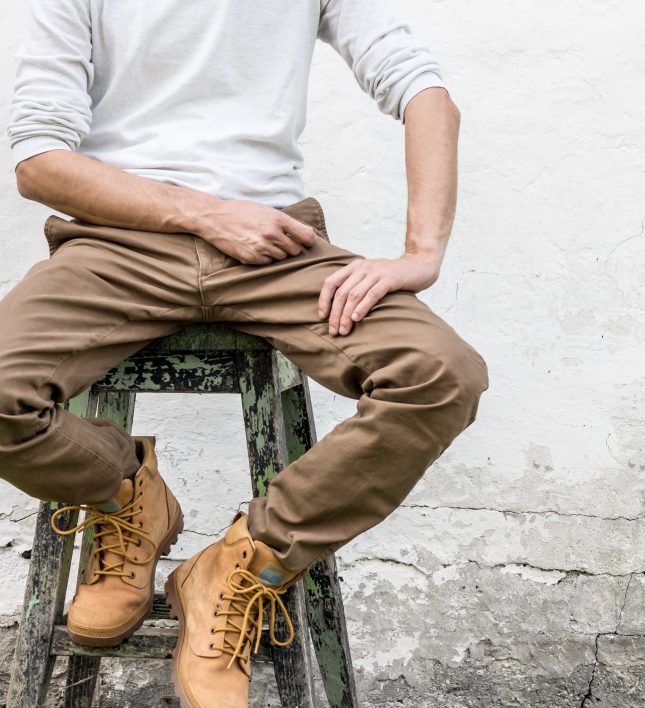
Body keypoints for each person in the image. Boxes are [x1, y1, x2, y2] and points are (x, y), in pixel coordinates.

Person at [2, 1, 488, 705]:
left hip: (276, 247)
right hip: (117, 244)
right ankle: (126, 494)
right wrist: (202, 212)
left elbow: (424, 91)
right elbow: (40, 161)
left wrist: (421, 253)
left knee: (441, 375)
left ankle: (240, 564)